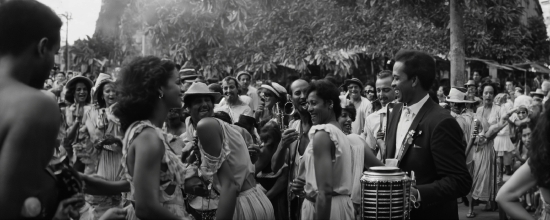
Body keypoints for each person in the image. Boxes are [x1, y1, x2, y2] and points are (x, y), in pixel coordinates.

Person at [383, 50, 472, 219]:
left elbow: (460, 181)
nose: (392, 83)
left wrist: (416, 194)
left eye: (396, 78)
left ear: (414, 80)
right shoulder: (393, 111)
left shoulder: (441, 122)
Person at [113, 56, 194, 219]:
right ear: (159, 89)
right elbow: (146, 208)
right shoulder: (148, 137)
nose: (182, 89)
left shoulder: (143, 130)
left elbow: (143, 184)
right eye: (177, 82)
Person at [182, 82, 275, 219]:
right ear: (188, 109)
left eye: (207, 100)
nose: (204, 104)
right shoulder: (219, 126)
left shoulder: (206, 125)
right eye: (198, 101)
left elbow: (230, 185)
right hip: (254, 198)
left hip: (241, 203)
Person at [291, 79, 355, 220]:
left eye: (314, 103)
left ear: (330, 104)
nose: (309, 108)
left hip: (326, 209)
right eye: (308, 104)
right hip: (340, 206)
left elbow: (324, 192)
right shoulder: (338, 133)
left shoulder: (323, 133)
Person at [496, 108, 550, 220]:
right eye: (525, 136)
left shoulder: (538, 157)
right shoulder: (541, 159)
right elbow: (504, 196)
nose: (527, 138)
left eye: (530, 135)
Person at [468, 83, 513, 217]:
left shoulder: (499, 109)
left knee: (494, 178)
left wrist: (488, 137)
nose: (488, 95)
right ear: (482, 94)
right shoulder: (479, 110)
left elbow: (501, 126)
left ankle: (495, 206)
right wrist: (476, 140)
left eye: (491, 93)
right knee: (475, 176)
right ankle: (472, 206)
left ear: (494, 95)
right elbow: (474, 128)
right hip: (478, 149)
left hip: (492, 147)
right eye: (486, 93)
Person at [270, 79, 312, 220]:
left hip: (316, 201)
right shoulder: (294, 126)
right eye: (297, 93)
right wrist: (282, 145)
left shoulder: (322, 127)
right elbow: (275, 167)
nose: (303, 96)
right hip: (295, 204)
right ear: (291, 98)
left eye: (306, 92)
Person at [338, 104, 383, 217]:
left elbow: (379, 169)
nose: (349, 119)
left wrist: (382, 147)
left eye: (350, 116)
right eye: (344, 115)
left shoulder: (354, 140)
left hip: (350, 205)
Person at [362, 70, 396, 158]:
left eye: (386, 90)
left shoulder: (406, 113)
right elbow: (370, 151)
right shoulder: (371, 119)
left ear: (396, 89)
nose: (381, 94)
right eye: (378, 90)